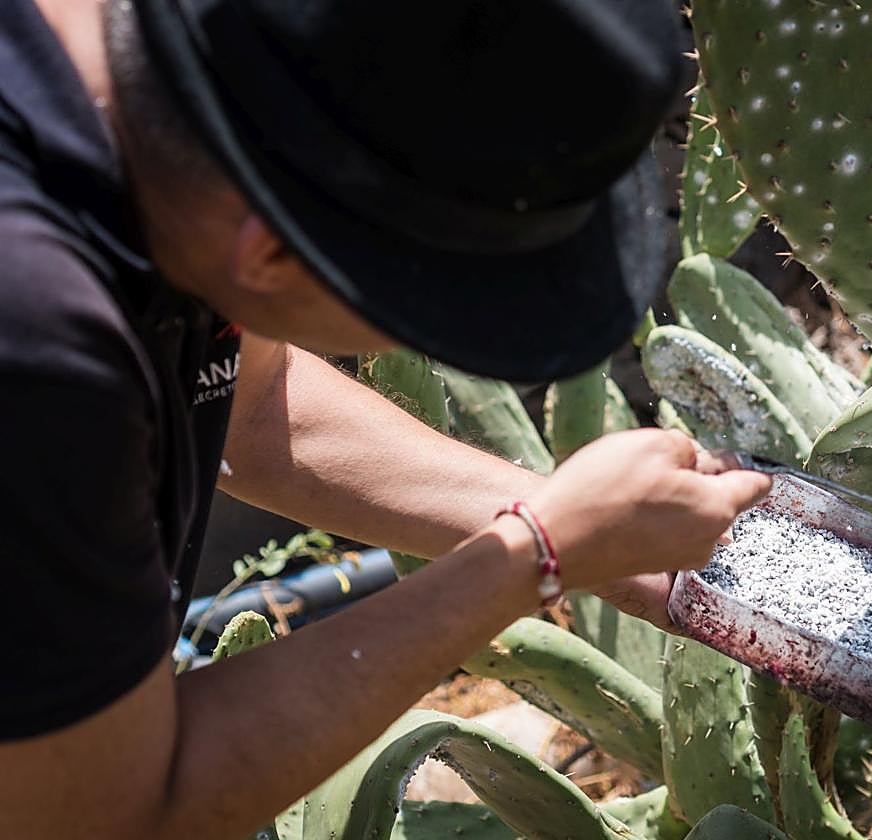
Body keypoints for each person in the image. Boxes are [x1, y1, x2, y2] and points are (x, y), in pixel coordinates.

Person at [0, 0, 772, 837]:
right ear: (271, 252)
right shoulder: (35, 351)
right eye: (430, 305)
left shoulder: (159, 91)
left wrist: (587, 533)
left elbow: (253, 403)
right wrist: (537, 554)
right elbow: (104, 814)